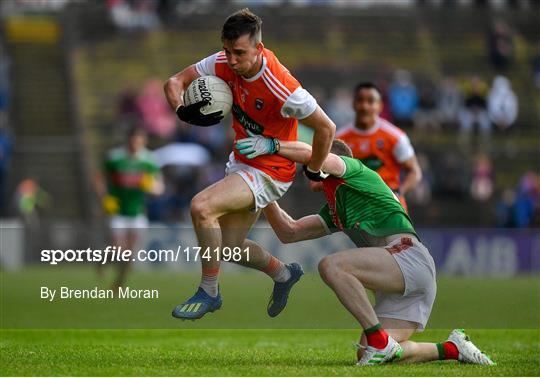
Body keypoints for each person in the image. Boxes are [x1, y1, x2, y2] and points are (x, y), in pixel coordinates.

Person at [235, 136, 495, 366]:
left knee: (332, 266)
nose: (307, 170)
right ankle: (451, 348)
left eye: (312, 165)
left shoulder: (355, 171)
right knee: (367, 352)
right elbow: (289, 231)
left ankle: (378, 339)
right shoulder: (337, 203)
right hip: (403, 275)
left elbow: (319, 157)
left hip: (406, 257)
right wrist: (264, 188)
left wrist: (274, 147)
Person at [163, 8, 335, 320]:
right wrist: (181, 110)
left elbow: (327, 128)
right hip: (242, 162)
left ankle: (209, 291)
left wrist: (314, 167)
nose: (230, 61)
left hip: (272, 170)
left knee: (202, 207)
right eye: (226, 51)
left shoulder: (282, 85)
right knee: (230, 246)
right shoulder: (221, 61)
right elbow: (174, 82)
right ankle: (284, 274)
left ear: (258, 48)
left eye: (238, 53)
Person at [95, 127, 164, 289]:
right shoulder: (115, 158)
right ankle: (102, 261)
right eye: (133, 140)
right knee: (118, 249)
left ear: (143, 141)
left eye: (138, 140)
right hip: (117, 210)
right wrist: (104, 197)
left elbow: (159, 188)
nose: (135, 144)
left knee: (130, 253)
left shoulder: (149, 160)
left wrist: (150, 186)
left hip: (137, 211)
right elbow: (99, 178)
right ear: (128, 140)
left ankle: (118, 283)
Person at [336, 82, 422, 211]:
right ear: (353, 104)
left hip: (390, 208)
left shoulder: (395, 136)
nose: (365, 106)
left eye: (371, 101)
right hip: (355, 209)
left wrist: (398, 193)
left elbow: (415, 172)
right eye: (360, 100)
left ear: (380, 106)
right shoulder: (340, 138)